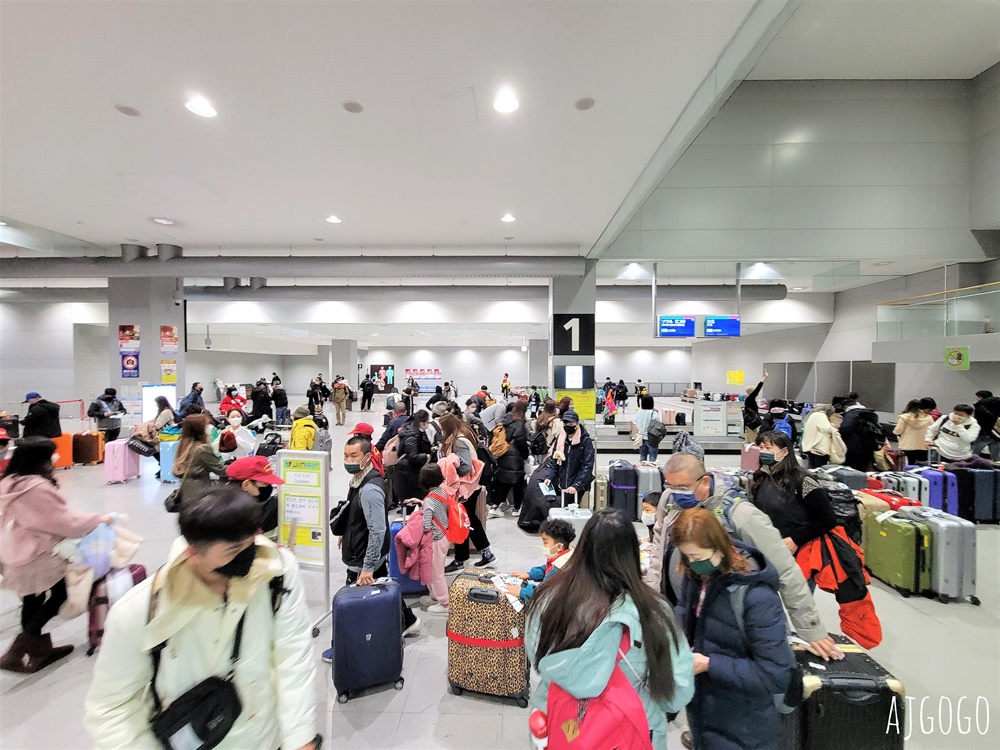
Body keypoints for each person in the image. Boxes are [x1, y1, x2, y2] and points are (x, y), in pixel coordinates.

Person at [84, 485, 319, 750]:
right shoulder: (139, 610)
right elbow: (111, 708)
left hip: (263, 736)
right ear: (192, 551)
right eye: (234, 550)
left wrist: (300, 738)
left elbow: (293, 656)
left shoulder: (276, 573)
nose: (250, 555)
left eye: (251, 542)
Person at [647, 452, 843, 662]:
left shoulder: (742, 514)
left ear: (704, 481)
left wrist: (810, 629)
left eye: (682, 488)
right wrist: (651, 594)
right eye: (670, 486)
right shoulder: (670, 500)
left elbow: (785, 569)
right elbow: (659, 546)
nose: (676, 493)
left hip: (727, 620)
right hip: (685, 607)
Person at [526, 509, 695, 750]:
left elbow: (538, 657)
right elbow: (675, 695)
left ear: (583, 546)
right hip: (634, 730)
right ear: (631, 553)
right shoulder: (653, 610)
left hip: (561, 724)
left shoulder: (550, 597)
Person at [671, 507, 794, 750]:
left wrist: (709, 664)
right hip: (706, 714)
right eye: (688, 558)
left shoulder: (757, 597)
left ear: (720, 547)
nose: (694, 565)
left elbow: (775, 675)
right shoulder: (697, 578)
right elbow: (686, 616)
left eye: (698, 557)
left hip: (747, 726)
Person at [0, 438, 112, 673]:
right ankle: (21, 647)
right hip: (37, 552)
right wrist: (97, 519)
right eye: (51, 455)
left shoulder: (9, 482)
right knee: (62, 592)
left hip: (13, 548)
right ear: (40, 459)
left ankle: (38, 650)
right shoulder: (36, 488)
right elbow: (63, 522)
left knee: (31, 598)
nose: (54, 459)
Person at [323, 436, 421, 662]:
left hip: (364, 558)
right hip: (363, 551)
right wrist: (345, 533)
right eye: (345, 455)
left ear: (367, 457)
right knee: (383, 584)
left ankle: (343, 647)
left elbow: (377, 530)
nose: (348, 460)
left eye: (353, 456)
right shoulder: (358, 479)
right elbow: (356, 514)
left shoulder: (370, 489)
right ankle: (408, 620)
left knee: (353, 603)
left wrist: (366, 567)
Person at [750, 432, 838, 559]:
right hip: (769, 547)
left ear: (785, 452)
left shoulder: (803, 480)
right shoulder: (763, 476)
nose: (763, 452)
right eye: (761, 448)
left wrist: (796, 539)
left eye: (768, 448)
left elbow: (828, 519)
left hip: (797, 552)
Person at [438, 414, 494, 572]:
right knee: (469, 520)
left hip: (464, 488)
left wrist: (449, 464)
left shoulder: (458, 441)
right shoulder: (465, 434)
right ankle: (486, 553)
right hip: (471, 487)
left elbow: (465, 467)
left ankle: (461, 559)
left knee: (460, 521)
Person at [507, 518, 574, 602]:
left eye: (545, 542)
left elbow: (541, 594)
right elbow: (547, 569)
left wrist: (521, 591)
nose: (543, 546)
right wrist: (529, 574)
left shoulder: (560, 568)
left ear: (559, 547)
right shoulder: (567, 554)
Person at [416, 463, 452, 615]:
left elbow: (426, 524)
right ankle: (434, 596)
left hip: (436, 538)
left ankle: (445, 603)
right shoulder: (442, 492)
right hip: (444, 535)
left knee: (436, 571)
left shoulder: (430, 500)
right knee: (432, 569)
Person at [539, 410, 595, 505]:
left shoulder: (585, 441)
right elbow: (554, 460)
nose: (567, 425)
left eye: (571, 423)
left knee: (572, 510)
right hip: (560, 484)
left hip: (576, 486)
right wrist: (550, 476)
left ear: (577, 424)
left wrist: (576, 485)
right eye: (565, 423)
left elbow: (587, 466)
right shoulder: (561, 439)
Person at [488, 399, 530, 521]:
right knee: (517, 482)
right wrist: (526, 455)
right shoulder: (519, 423)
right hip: (515, 456)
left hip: (503, 454)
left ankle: (494, 507)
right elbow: (522, 442)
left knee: (504, 482)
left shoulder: (506, 419)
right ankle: (517, 508)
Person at [225, 455, 283, 534]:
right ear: (246, 485)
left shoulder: (238, 503)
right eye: (265, 484)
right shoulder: (227, 513)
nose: (268, 488)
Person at [395, 409, 433, 505]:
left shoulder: (413, 431)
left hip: (410, 472)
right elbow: (412, 455)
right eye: (427, 422)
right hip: (409, 475)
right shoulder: (412, 436)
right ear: (422, 423)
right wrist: (427, 456)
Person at [173, 414, 227, 483]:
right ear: (200, 430)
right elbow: (220, 469)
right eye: (207, 426)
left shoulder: (183, 444)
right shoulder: (202, 449)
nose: (210, 428)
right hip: (202, 488)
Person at [837, 399, 882, 472]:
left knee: (851, 471)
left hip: (853, 449)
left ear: (846, 407)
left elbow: (844, 430)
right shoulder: (870, 414)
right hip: (869, 447)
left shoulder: (851, 415)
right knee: (863, 470)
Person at [893, 399, 934, 463]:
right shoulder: (929, 418)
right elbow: (932, 430)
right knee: (921, 466)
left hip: (907, 446)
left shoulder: (904, 417)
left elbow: (897, 431)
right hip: (923, 446)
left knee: (909, 466)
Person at [801, 404, 838, 469]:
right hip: (818, 447)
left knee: (812, 466)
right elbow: (827, 428)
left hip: (810, 445)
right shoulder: (821, 415)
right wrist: (834, 428)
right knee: (820, 468)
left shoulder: (813, 415)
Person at [972, 390, 1000, 461]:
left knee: (974, 454)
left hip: (984, 434)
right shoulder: (998, 404)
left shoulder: (980, 406)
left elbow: (979, 421)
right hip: (997, 433)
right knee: (996, 457)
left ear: (980, 397)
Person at [743, 368, 768, 442]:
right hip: (752, 426)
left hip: (749, 425)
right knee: (754, 442)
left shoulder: (749, 400)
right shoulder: (750, 398)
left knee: (749, 442)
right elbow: (758, 388)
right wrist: (765, 377)